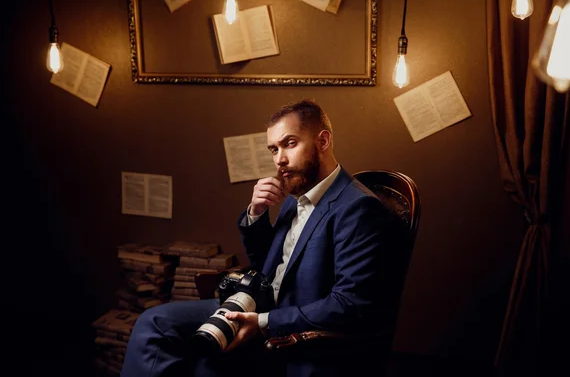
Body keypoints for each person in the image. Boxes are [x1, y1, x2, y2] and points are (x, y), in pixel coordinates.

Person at [121, 100, 396, 377]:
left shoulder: (359, 208)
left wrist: (264, 322)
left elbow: (350, 303)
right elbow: (267, 264)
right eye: (274, 149)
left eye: (289, 143)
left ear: (323, 141)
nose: (279, 159)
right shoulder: (296, 193)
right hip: (256, 305)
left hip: (294, 330)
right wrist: (256, 213)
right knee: (154, 323)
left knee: (205, 365)